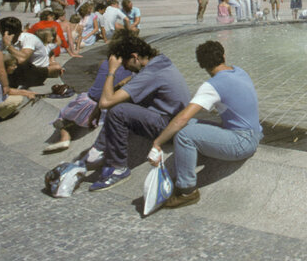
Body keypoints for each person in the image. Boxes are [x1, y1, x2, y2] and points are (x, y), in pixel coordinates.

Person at [147, 40, 263, 208]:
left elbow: (182, 119)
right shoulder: (239, 71)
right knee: (190, 125)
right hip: (254, 133)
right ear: (223, 55)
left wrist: (157, 143)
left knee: (184, 133)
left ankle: (187, 191)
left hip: (242, 142)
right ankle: (184, 169)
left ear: (202, 65)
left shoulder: (212, 86)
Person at [89, 33, 191, 191]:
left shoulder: (150, 73)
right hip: (173, 120)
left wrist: (111, 72)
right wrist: (96, 110)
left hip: (169, 127)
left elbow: (105, 102)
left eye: (125, 64)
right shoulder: (159, 62)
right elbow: (117, 94)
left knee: (118, 111)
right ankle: (99, 149)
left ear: (134, 57)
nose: (125, 68)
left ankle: (118, 168)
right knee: (124, 101)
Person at [0, 17, 63, 88]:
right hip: (23, 70)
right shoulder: (3, 41)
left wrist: (8, 46)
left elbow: (22, 60)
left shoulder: (29, 39)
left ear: (6, 32)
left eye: (0, 30)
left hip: (38, 72)